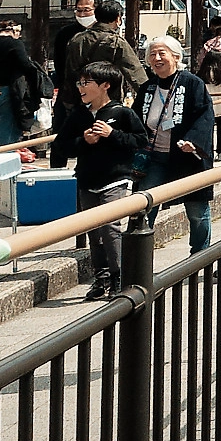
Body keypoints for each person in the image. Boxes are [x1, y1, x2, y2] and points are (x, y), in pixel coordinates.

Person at [51, 61, 147, 299]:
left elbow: (140, 141)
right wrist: (83, 141)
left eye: (86, 83)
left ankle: (118, 277)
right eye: (79, 82)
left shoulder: (122, 113)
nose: (80, 87)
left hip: (116, 179)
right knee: (93, 230)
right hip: (87, 180)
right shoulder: (78, 115)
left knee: (110, 227)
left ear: (106, 85)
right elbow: (61, 146)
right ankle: (101, 277)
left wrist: (112, 134)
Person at [133, 36, 216, 256]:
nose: (156, 58)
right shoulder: (148, 88)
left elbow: (204, 116)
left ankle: (200, 256)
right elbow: (135, 120)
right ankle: (138, 260)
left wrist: (194, 142)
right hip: (154, 158)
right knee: (143, 208)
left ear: (176, 57)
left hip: (186, 157)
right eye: (152, 54)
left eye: (162, 53)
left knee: (197, 211)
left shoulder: (192, 83)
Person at [0, 19, 46, 150]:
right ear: (13, 30)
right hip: (9, 91)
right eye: (18, 32)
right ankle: (6, 159)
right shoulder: (14, 43)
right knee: (8, 131)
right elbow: (26, 65)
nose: (19, 35)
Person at [66, 0, 147, 100]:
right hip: (107, 97)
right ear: (118, 18)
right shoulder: (116, 42)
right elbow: (135, 72)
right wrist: (148, 94)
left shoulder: (77, 39)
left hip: (79, 96)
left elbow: (69, 70)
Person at [50, 0, 100, 129]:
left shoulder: (105, 35)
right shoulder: (65, 33)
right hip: (69, 93)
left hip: (98, 93)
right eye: (79, 10)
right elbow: (59, 63)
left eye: (87, 10)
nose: (82, 14)